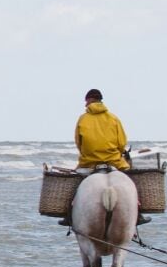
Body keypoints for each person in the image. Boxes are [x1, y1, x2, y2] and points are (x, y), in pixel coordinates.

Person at [59, 88, 150, 226]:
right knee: (131, 184)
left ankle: (69, 216)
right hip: (114, 161)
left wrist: (88, 154)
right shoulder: (114, 118)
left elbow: (79, 142)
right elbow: (122, 143)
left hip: (89, 162)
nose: (85, 105)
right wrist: (117, 152)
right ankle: (139, 214)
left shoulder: (83, 119)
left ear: (89, 100)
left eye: (86, 101)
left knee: (76, 186)